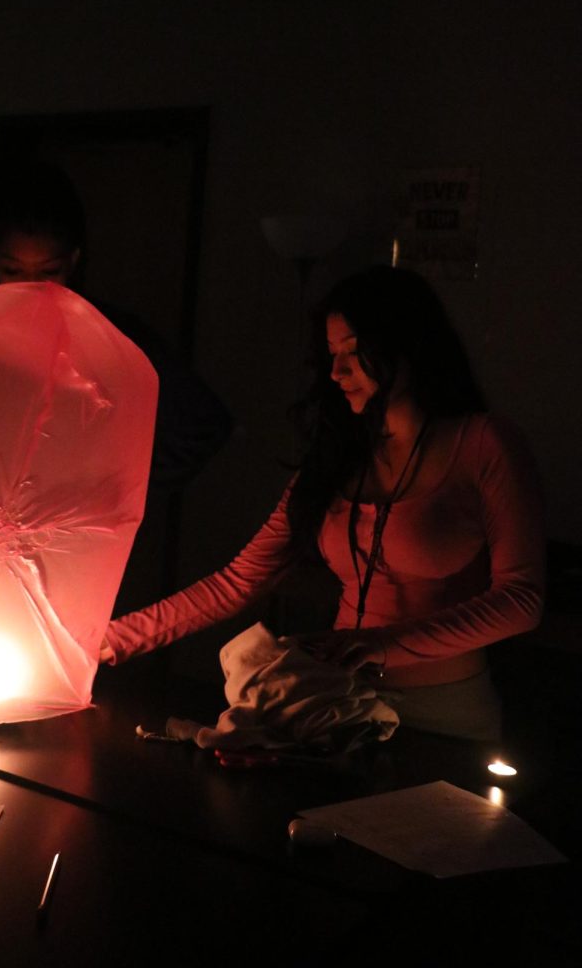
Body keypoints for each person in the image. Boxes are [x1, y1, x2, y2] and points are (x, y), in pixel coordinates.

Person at [102, 265, 545, 742]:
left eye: (353, 353)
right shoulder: (336, 460)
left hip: (443, 716)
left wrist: (381, 643)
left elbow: (522, 601)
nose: (336, 373)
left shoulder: (484, 444)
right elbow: (237, 582)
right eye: (332, 355)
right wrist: (107, 642)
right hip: (333, 705)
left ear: (408, 346)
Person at [0, 166, 232, 493]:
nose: (31, 289)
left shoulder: (113, 337)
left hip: (80, 526)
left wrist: (107, 478)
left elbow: (203, 425)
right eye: (13, 270)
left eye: (48, 272)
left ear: (72, 262)